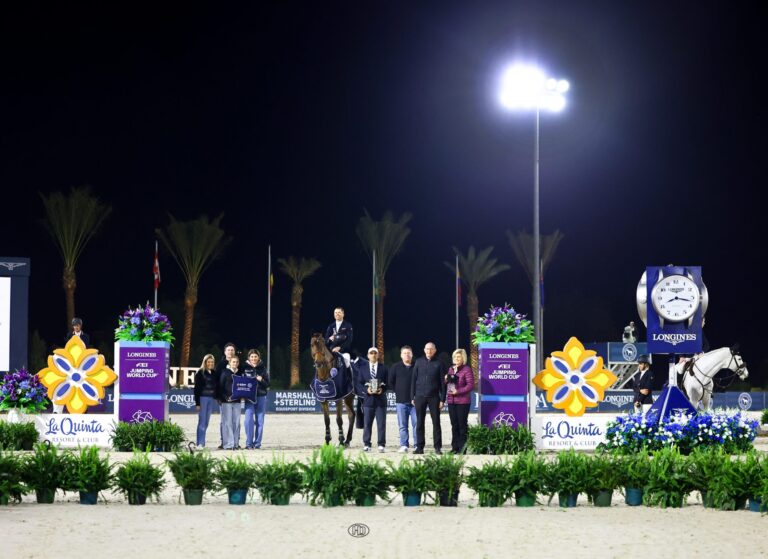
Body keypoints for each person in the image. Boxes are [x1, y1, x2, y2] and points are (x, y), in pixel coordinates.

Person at [410, 342, 446, 454]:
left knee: (436, 422)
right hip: (420, 397)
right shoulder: (418, 362)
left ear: (435, 350)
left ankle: (437, 447)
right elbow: (413, 381)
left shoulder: (439, 363)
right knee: (419, 422)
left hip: (434, 397)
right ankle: (419, 447)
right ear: (424, 350)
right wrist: (412, 396)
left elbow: (442, 383)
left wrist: (442, 399)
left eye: (431, 349)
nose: (429, 351)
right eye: (427, 349)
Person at [353, 347, 388, 452]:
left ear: (378, 355)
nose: (373, 355)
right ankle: (367, 444)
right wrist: (366, 390)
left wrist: (382, 389)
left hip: (381, 401)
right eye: (371, 353)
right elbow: (359, 383)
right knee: (367, 423)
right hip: (368, 401)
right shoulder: (362, 369)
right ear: (368, 355)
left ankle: (381, 444)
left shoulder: (384, 368)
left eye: (375, 353)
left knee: (381, 424)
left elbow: (388, 382)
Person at [445, 348, 474, 454]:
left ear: (463, 358)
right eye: (455, 357)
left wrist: (458, 391)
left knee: (462, 425)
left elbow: (470, 385)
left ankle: (462, 449)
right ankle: (454, 448)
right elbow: (450, 385)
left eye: (458, 356)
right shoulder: (451, 369)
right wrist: (446, 380)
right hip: (451, 401)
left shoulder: (467, 369)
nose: (456, 358)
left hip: (463, 402)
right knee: (454, 425)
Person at [389, 345, 417, 453]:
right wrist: (399, 391)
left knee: (417, 424)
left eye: (409, 353)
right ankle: (404, 445)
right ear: (401, 355)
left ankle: (417, 445)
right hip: (401, 402)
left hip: (415, 402)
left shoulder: (417, 366)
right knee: (402, 426)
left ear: (412, 354)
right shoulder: (395, 367)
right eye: (405, 353)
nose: (407, 355)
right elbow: (390, 382)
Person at [242, 349, 269, 449]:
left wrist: (261, 379)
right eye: (252, 356)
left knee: (260, 421)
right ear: (249, 357)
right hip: (249, 398)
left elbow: (267, 384)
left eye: (255, 356)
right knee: (248, 420)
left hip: (261, 396)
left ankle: (257, 444)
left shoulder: (263, 369)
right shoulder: (244, 368)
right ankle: (249, 443)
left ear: (258, 357)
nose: (253, 358)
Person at [193, 354, 219, 448]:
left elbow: (216, 387)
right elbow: (196, 389)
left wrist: (217, 397)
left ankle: (201, 442)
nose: (210, 363)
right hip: (202, 399)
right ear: (205, 362)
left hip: (211, 399)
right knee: (202, 421)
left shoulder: (214, 373)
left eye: (212, 362)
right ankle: (200, 443)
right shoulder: (200, 373)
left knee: (206, 421)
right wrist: (197, 403)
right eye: (208, 362)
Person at [219, 354, 243, 450]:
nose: (235, 363)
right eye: (233, 362)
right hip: (226, 401)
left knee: (236, 423)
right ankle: (228, 444)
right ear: (230, 362)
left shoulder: (240, 373)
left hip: (237, 401)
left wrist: (242, 396)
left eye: (237, 362)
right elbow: (221, 387)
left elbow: (242, 387)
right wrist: (225, 397)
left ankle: (236, 444)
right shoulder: (225, 372)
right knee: (227, 423)